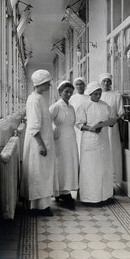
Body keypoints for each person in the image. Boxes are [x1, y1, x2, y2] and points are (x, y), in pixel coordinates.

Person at [20, 69, 57, 216]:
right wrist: (41, 145)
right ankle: (37, 207)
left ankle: (43, 206)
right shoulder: (35, 100)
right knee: (38, 173)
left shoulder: (39, 98)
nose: (49, 85)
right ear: (40, 83)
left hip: (43, 141)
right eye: (47, 83)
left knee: (43, 173)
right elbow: (34, 127)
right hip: (38, 143)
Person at [76, 81, 116, 204]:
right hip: (89, 141)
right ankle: (89, 197)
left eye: (99, 94)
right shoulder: (84, 105)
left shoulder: (105, 105)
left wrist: (110, 123)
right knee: (90, 168)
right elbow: (78, 124)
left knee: (103, 167)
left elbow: (111, 121)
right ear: (90, 94)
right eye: (96, 94)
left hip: (103, 140)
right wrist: (92, 129)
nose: (98, 96)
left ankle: (105, 196)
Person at [49, 80, 79, 210]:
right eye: (66, 92)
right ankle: (60, 192)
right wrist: (53, 131)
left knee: (70, 163)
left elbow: (73, 122)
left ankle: (66, 190)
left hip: (71, 137)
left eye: (70, 92)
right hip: (59, 139)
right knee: (61, 164)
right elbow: (47, 122)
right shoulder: (55, 107)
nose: (68, 94)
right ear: (60, 92)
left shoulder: (71, 107)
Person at [99, 72, 124, 184]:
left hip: (112, 129)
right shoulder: (97, 95)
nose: (106, 83)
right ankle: (102, 180)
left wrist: (113, 121)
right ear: (100, 83)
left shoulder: (116, 95)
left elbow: (120, 113)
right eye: (104, 81)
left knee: (113, 153)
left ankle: (113, 182)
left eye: (108, 81)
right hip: (99, 129)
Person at [69, 77, 89, 158]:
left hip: (86, 126)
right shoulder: (71, 98)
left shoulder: (89, 98)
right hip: (74, 127)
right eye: (77, 84)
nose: (79, 86)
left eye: (81, 84)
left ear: (84, 85)